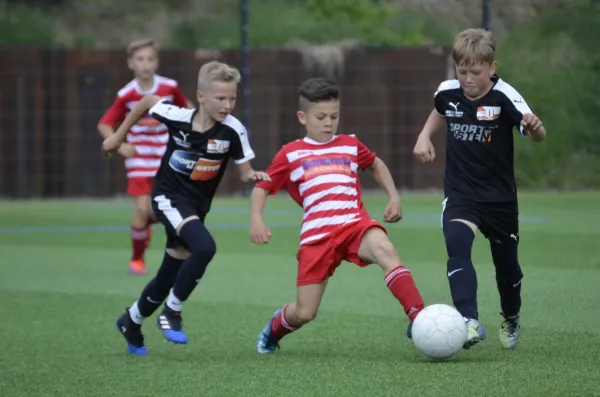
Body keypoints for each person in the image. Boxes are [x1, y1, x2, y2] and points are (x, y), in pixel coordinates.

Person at [102, 61, 270, 355]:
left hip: (196, 207)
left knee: (168, 275)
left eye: (232, 98)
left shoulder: (233, 130)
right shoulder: (176, 115)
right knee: (205, 247)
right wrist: (117, 137)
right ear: (201, 96)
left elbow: (245, 171)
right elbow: (146, 101)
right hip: (167, 197)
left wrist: (254, 175)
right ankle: (172, 312)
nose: (228, 105)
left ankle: (131, 321)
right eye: (221, 98)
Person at [249, 77, 425, 354]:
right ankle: (274, 329)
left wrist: (394, 196)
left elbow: (376, 165)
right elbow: (262, 187)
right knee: (305, 313)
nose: (328, 122)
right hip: (317, 238)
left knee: (385, 249)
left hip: (354, 225)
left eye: (334, 116)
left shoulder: (350, 144)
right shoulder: (290, 153)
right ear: (302, 117)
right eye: (320, 117)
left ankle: (419, 318)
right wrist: (257, 219)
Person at [412, 28, 546, 350]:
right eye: (462, 71)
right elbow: (439, 110)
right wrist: (424, 136)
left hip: (499, 200)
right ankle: (469, 321)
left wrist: (537, 129)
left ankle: (510, 315)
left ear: (492, 67)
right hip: (461, 195)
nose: (468, 78)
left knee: (507, 269)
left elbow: (537, 134)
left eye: (476, 71)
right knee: (456, 245)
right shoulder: (448, 92)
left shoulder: (506, 97)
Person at [97, 38, 193, 275]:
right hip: (139, 159)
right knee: (142, 210)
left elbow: (188, 109)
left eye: (150, 58)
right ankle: (138, 259)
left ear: (157, 62)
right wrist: (120, 146)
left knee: (171, 209)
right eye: (140, 59)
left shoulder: (169, 88)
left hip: (168, 158)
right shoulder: (127, 94)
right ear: (131, 63)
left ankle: (178, 250)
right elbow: (105, 124)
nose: (146, 64)